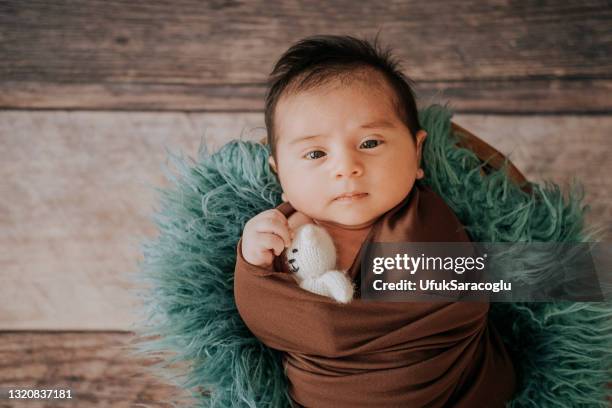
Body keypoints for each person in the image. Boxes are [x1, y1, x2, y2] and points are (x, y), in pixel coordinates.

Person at [234, 35, 516, 407]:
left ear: (417, 153)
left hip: (454, 388)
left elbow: (467, 295)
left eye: (370, 143)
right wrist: (253, 262)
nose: (346, 167)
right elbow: (263, 317)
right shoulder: (280, 233)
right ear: (280, 175)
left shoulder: (427, 220)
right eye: (316, 152)